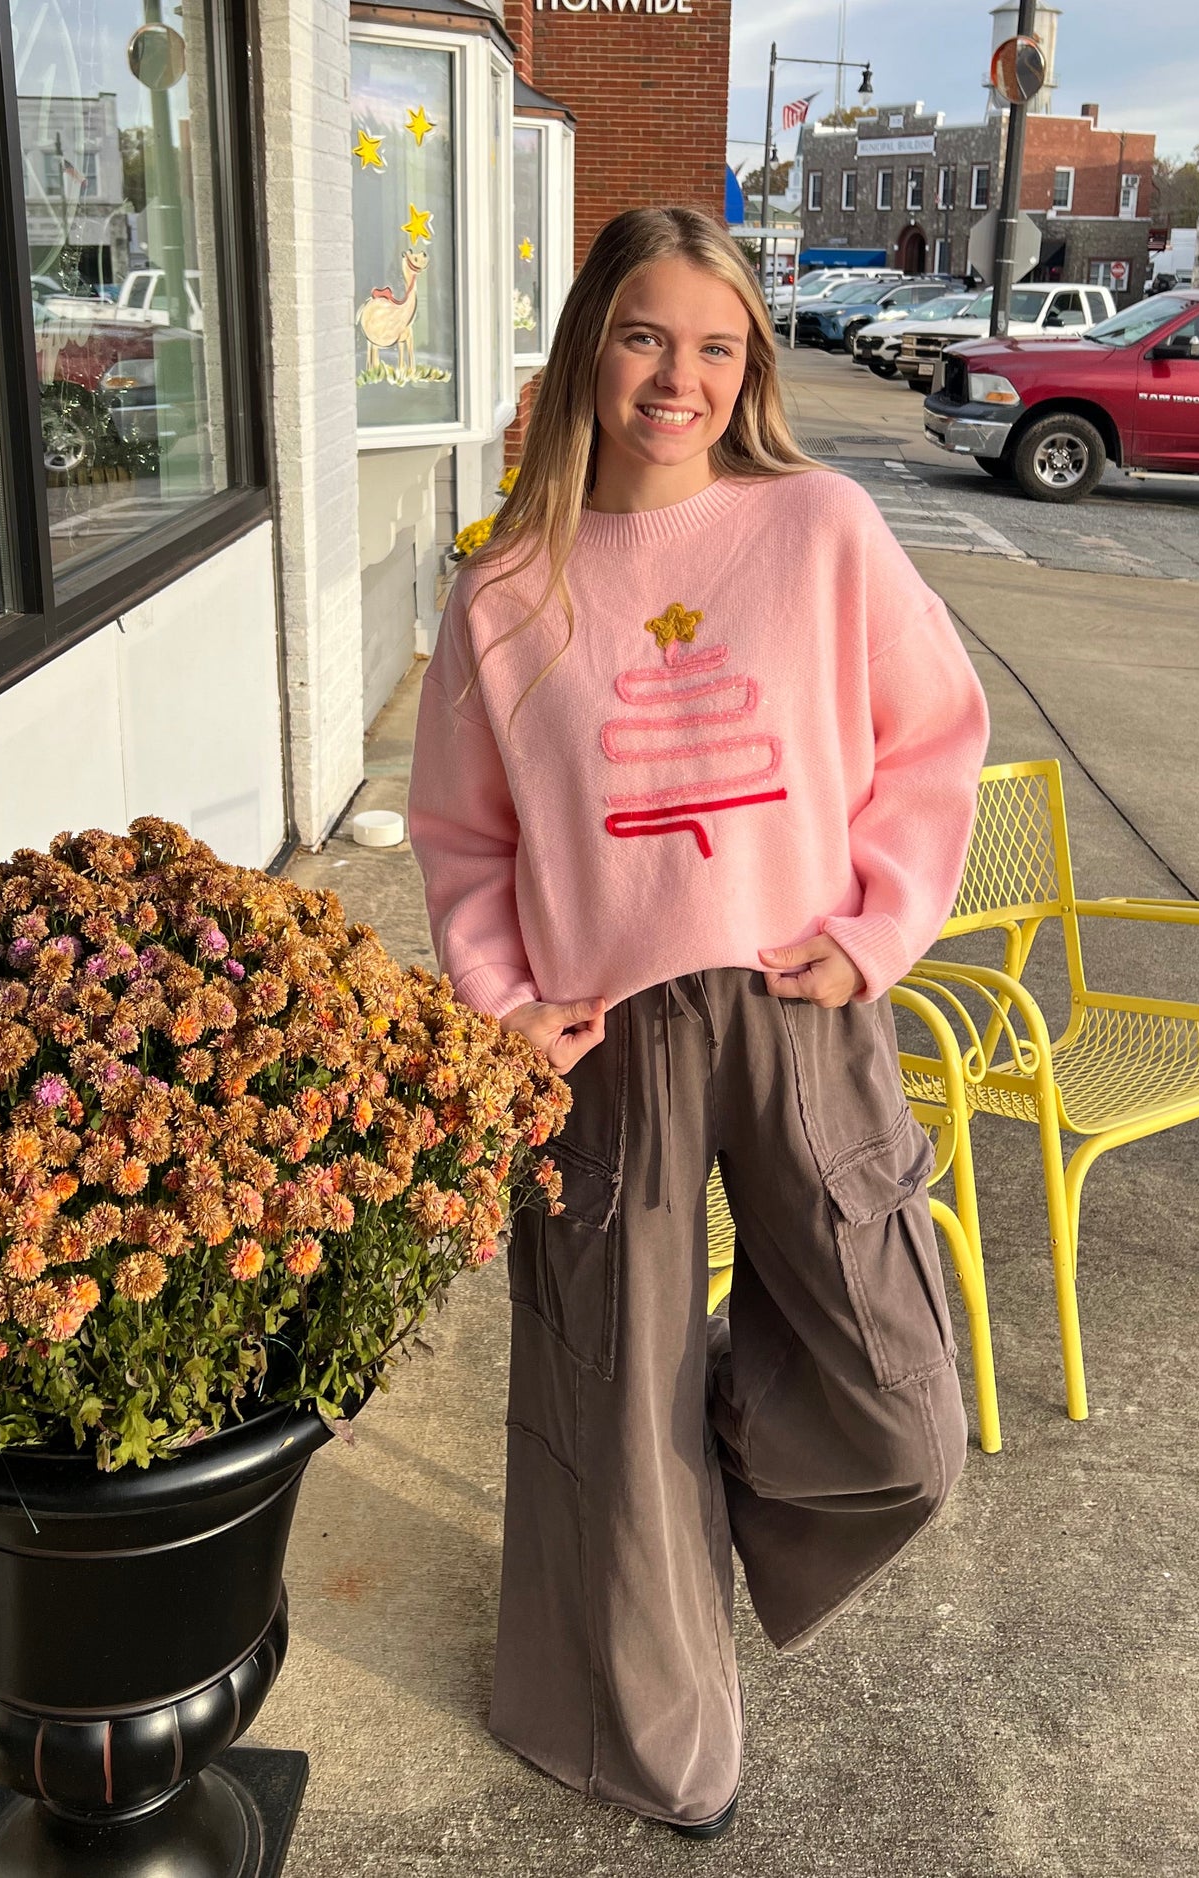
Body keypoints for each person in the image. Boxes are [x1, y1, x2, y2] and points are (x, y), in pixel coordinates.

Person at [408, 206, 989, 1841]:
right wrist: (506, 1005)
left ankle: (714, 1429)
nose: (680, 376)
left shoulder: (817, 527)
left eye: (717, 345)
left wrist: (876, 927)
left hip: (800, 1003)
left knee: (898, 1413)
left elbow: (929, 737)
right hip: (607, 1037)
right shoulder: (512, 587)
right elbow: (464, 833)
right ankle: (645, 1738)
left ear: (750, 367)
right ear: (591, 340)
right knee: (603, 1389)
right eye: (647, 335)